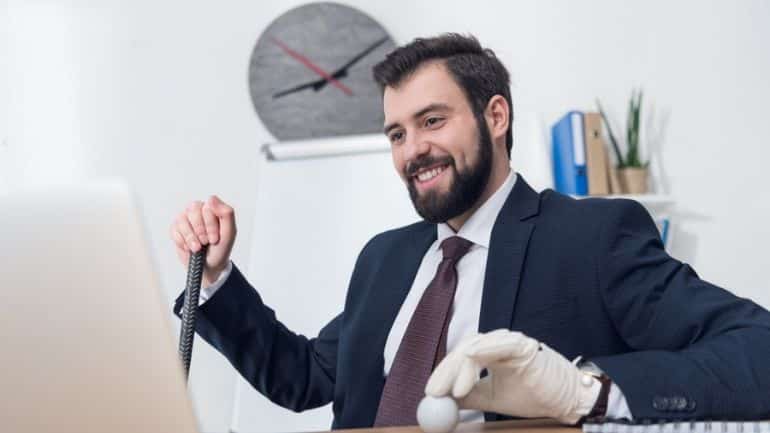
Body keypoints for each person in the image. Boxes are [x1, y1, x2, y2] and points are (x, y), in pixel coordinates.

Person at [169, 34, 770, 429]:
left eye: (432, 121)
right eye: (397, 134)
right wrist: (218, 277)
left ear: (496, 116)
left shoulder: (592, 238)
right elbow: (305, 377)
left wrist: (583, 391)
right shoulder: (384, 258)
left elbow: (756, 351)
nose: (413, 150)